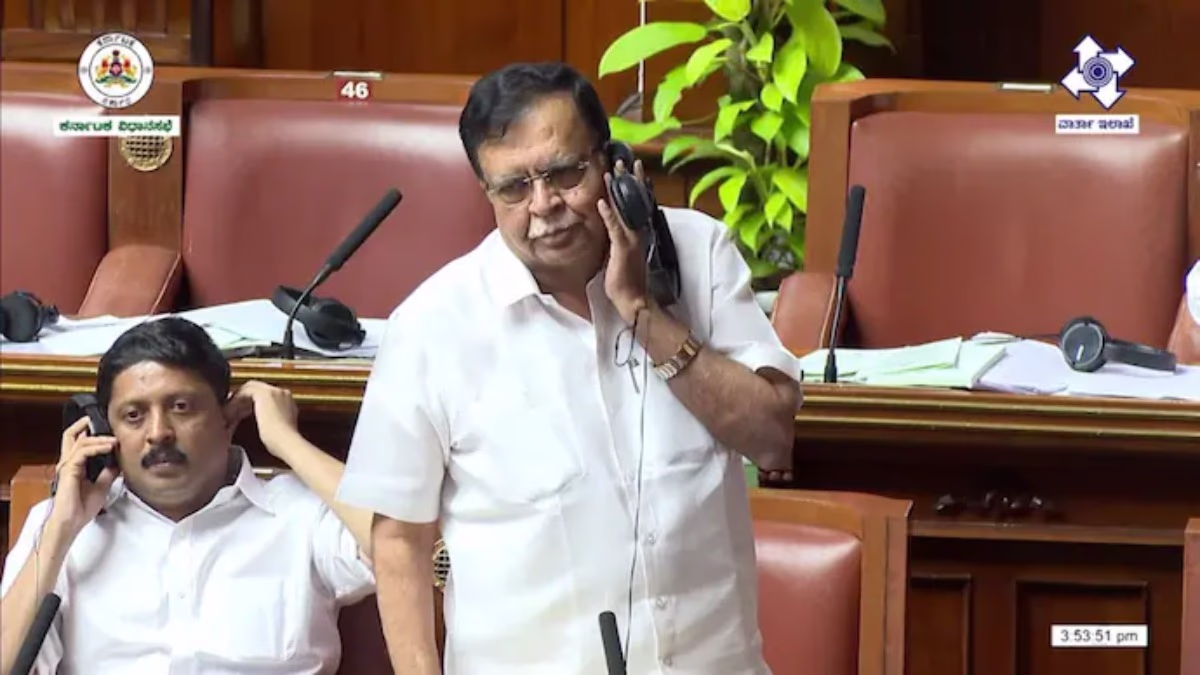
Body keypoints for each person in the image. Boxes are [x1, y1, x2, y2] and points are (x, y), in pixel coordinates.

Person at [336, 62, 802, 675]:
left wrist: (645, 314)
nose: (544, 205)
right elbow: (399, 537)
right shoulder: (433, 326)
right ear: (486, 191)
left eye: (564, 173)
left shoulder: (699, 256)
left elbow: (771, 437)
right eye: (513, 188)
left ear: (613, 164)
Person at [0, 317, 376, 675]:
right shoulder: (59, 528)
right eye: (134, 416)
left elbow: (395, 544)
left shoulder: (299, 514)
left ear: (228, 417)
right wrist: (60, 531)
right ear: (103, 430)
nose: (158, 433)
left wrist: (286, 440)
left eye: (181, 408)